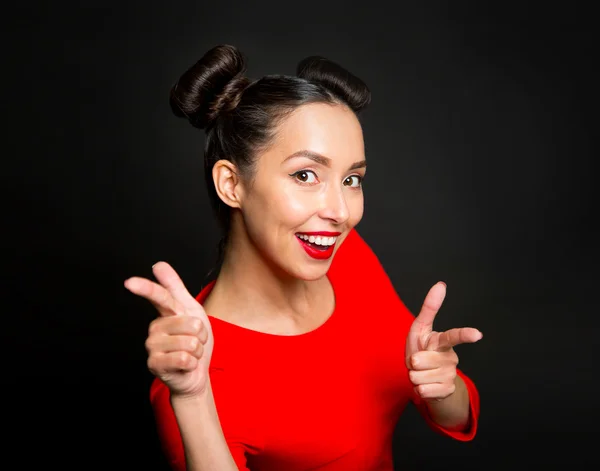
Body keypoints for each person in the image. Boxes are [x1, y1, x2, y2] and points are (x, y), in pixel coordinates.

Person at [124, 44, 483, 471]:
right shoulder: (193, 371)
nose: (341, 212)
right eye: (305, 175)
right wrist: (194, 399)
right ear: (231, 184)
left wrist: (443, 389)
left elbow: (455, 412)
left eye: (352, 179)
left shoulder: (347, 257)